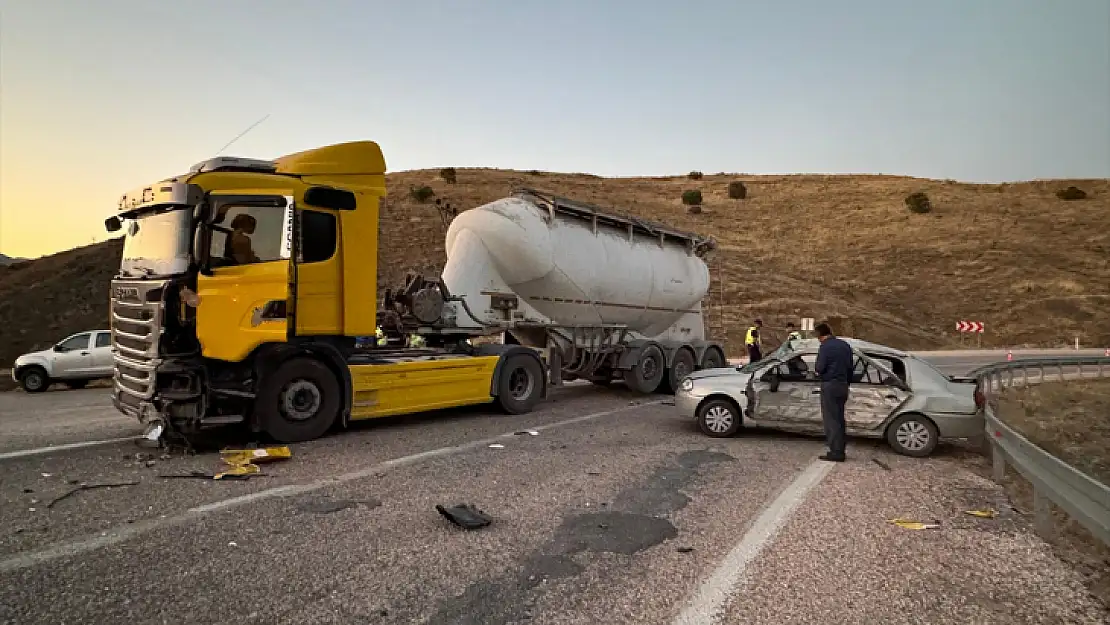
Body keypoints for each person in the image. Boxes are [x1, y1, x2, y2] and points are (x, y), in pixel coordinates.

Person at [814, 322, 852, 462]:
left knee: (831, 420)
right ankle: (840, 447)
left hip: (830, 385)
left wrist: (817, 373)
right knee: (840, 419)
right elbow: (850, 368)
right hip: (843, 385)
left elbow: (820, 367)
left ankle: (836, 452)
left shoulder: (825, 347)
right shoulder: (845, 345)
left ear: (819, 335)